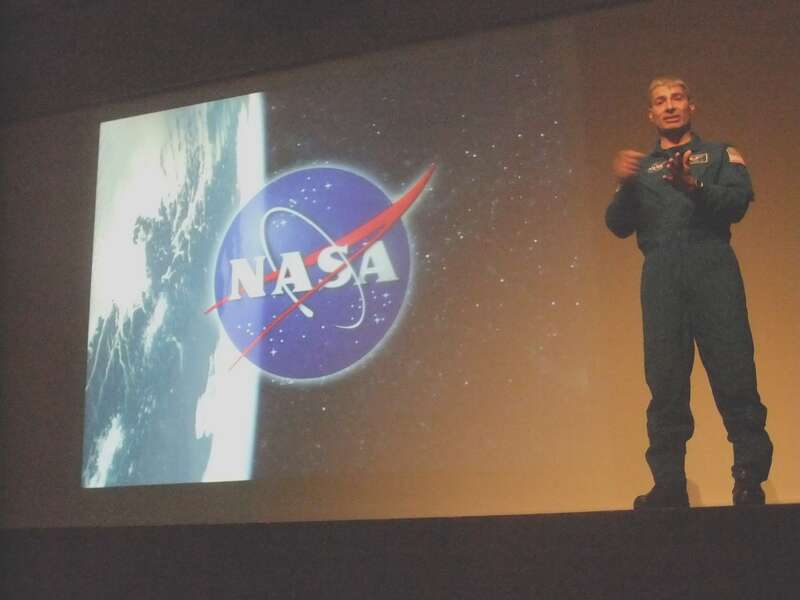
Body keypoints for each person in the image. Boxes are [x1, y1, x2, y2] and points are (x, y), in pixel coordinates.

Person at [605, 77, 773, 509]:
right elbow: (618, 224)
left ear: (691, 106)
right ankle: (669, 485)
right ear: (651, 114)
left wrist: (692, 187)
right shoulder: (640, 170)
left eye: (676, 98)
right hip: (661, 279)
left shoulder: (718, 153)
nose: (669, 106)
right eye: (660, 102)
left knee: (735, 377)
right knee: (666, 385)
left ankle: (749, 478)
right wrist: (624, 184)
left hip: (712, 270)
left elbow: (737, 202)